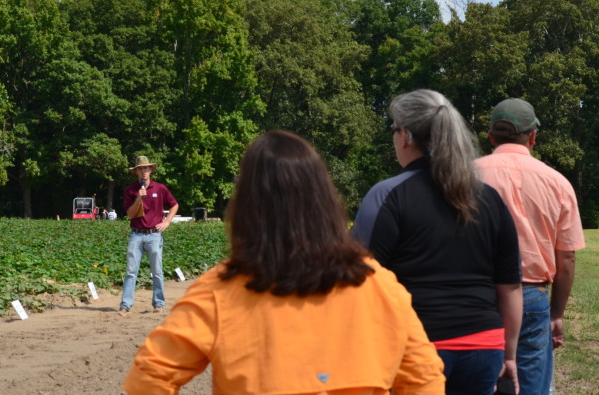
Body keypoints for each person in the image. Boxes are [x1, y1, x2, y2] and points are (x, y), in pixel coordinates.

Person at [123, 130, 446, 394]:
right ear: (324, 198)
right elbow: (425, 379)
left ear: (245, 204)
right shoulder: (377, 283)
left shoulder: (219, 290)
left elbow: (149, 378)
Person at [352, 89, 522, 395]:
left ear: (404, 135)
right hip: (484, 346)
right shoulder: (489, 199)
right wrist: (508, 354)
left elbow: (360, 281)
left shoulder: (387, 195)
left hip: (416, 348)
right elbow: (509, 286)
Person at [475, 98, 586, 394]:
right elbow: (567, 259)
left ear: (491, 137)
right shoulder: (557, 182)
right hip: (531, 296)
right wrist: (557, 314)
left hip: (475, 296)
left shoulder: (463, 177)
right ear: (533, 137)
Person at [119, 155, 178, 315]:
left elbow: (174, 205)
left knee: (157, 271)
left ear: (151, 170)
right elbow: (130, 215)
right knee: (131, 271)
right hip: (136, 235)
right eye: (140, 168)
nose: (143, 171)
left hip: (154, 235)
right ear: (136, 172)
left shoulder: (160, 188)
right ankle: (125, 305)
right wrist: (139, 198)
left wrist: (167, 222)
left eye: (146, 168)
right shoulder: (131, 190)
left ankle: (158, 304)